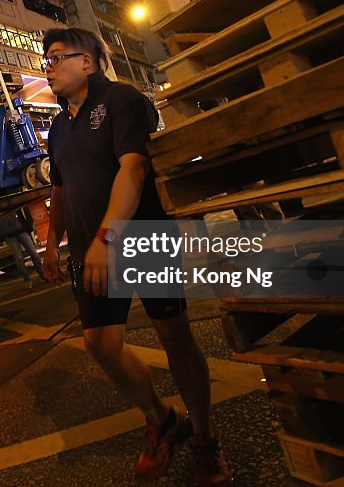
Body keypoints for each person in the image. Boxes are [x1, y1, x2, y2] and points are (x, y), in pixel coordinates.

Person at [41, 28, 232, 485]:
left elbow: (134, 167)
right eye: (45, 60)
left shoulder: (121, 99)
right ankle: (162, 419)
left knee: (175, 337)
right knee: (101, 345)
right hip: (91, 251)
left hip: (140, 239)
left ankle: (204, 439)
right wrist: (52, 242)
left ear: (87, 62)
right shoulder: (58, 125)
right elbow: (61, 188)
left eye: (55, 57)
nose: (48, 66)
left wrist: (108, 240)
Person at [0, 208, 44, 289]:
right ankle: (27, 279)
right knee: (19, 258)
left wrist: (28, 225)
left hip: (20, 230)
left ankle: (42, 274)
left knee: (33, 253)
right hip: (10, 234)